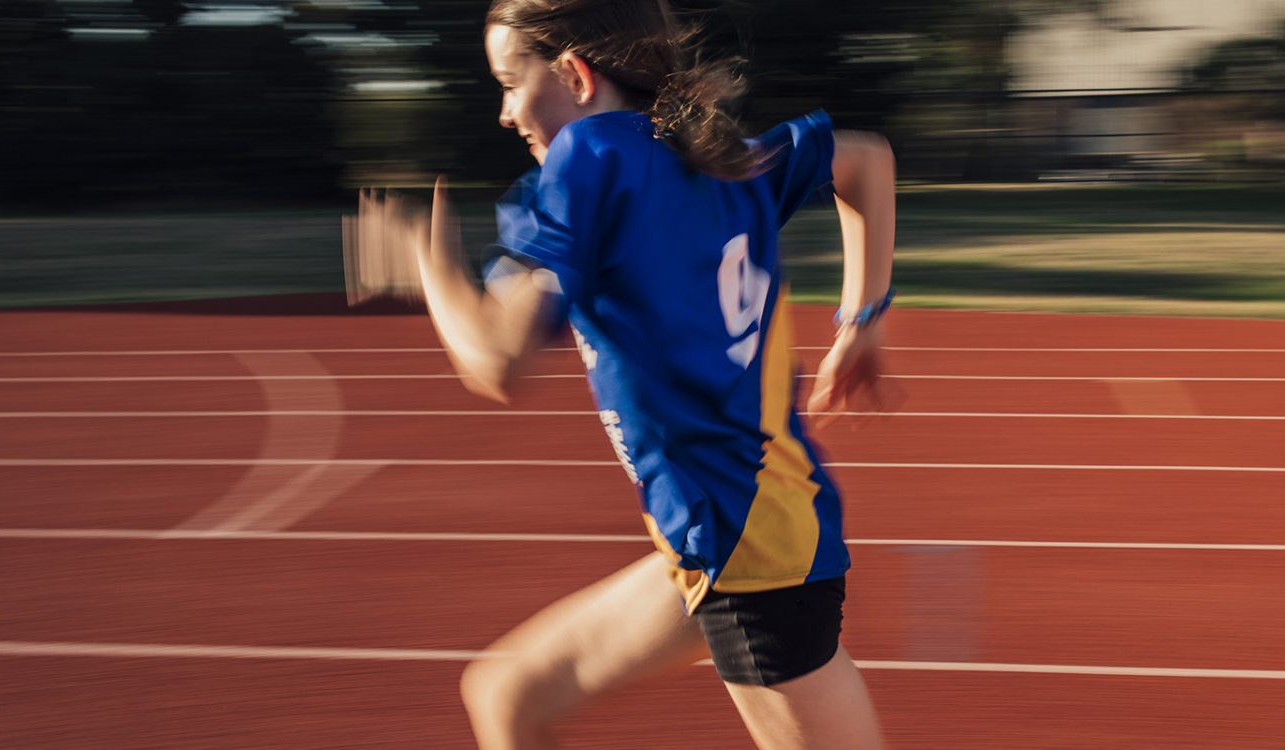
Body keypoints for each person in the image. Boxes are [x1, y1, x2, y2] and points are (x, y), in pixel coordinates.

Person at [366, 1, 895, 746]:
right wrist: (862, 322)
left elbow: (495, 363)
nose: (504, 112)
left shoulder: (592, 156)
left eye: (509, 83)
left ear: (577, 75)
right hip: (716, 544)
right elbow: (866, 158)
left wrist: (428, 264)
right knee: (507, 696)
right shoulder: (712, 153)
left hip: (751, 562)